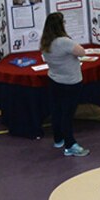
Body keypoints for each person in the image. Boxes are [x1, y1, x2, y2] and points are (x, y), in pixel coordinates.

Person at [40, 12, 88, 156]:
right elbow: (81, 52)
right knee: (67, 114)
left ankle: (58, 139)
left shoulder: (46, 42)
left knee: (57, 111)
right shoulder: (63, 42)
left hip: (55, 80)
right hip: (70, 82)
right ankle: (70, 144)